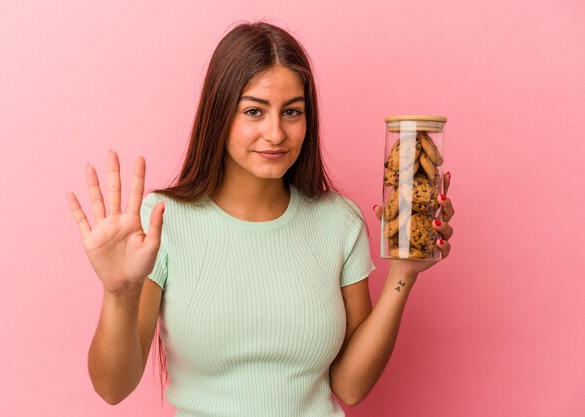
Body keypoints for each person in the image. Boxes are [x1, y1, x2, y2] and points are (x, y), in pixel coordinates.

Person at [66, 21, 455, 416]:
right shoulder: (164, 220)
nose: (275, 133)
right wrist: (117, 293)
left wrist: (404, 272)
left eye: (291, 112)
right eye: (254, 111)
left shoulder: (338, 221)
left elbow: (350, 388)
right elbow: (114, 389)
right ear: (219, 114)